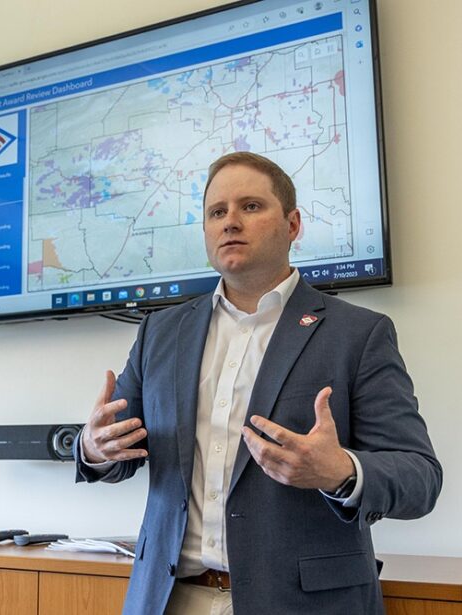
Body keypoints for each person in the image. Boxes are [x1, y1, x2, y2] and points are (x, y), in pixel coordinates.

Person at [74, 151, 442, 615]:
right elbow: (119, 447)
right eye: (217, 212)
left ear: (293, 225)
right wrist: (93, 447)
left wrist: (341, 471)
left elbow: (420, 477)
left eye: (250, 206)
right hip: (168, 598)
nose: (230, 221)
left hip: (301, 604)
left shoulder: (358, 334)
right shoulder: (161, 332)